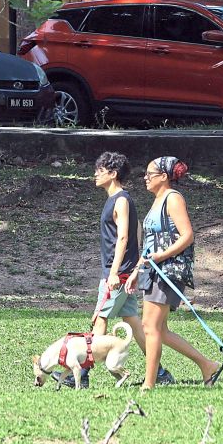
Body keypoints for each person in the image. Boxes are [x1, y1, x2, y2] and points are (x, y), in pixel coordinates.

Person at [66, 152, 173, 389]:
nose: (96, 174)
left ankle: (82, 374)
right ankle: (161, 372)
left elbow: (125, 236)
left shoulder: (121, 200)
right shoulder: (114, 199)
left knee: (100, 319)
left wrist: (115, 272)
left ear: (113, 174)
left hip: (118, 273)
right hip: (123, 271)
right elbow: (136, 234)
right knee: (133, 322)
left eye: (100, 170)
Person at [126, 155, 223, 391]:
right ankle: (207, 365)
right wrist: (137, 270)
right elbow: (150, 243)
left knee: (150, 327)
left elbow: (187, 235)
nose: (145, 178)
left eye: (149, 174)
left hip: (168, 271)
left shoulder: (173, 198)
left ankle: (149, 384)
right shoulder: (157, 200)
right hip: (153, 270)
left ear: (163, 176)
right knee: (159, 329)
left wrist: (161, 257)